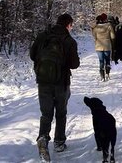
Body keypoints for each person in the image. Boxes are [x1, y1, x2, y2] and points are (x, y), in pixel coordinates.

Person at [30, 13, 80, 155]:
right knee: (61, 113)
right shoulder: (69, 41)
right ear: (68, 25)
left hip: (43, 81)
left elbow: (32, 55)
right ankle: (59, 143)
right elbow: (74, 64)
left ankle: (43, 138)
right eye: (72, 25)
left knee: (46, 113)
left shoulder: (43, 36)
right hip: (61, 82)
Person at [91, 13, 115, 81]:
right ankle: (107, 73)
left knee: (101, 61)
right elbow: (113, 36)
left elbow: (94, 36)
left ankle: (102, 76)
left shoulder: (96, 27)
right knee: (107, 60)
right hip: (107, 45)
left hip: (98, 46)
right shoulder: (109, 26)